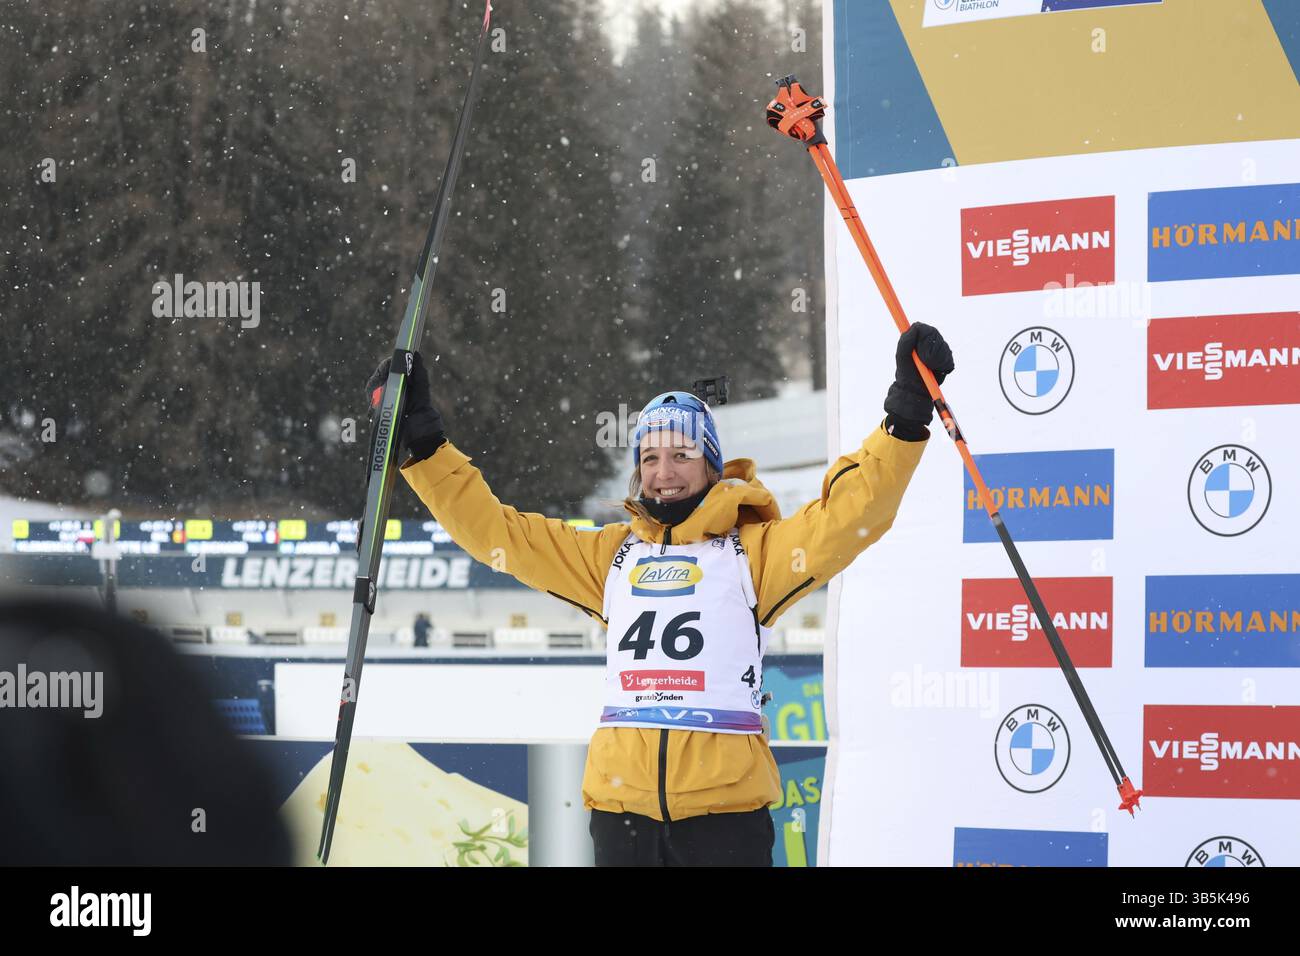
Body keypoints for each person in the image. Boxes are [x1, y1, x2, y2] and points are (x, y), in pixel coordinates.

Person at [367, 323, 954, 866]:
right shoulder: (611, 557)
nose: (664, 471)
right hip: (621, 819)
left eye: (681, 454)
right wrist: (423, 444)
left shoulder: (753, 554)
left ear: (712, 465)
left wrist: (902, 419)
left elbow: (850, 515)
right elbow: (500, 535)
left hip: (723, 823)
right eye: (650, 457)